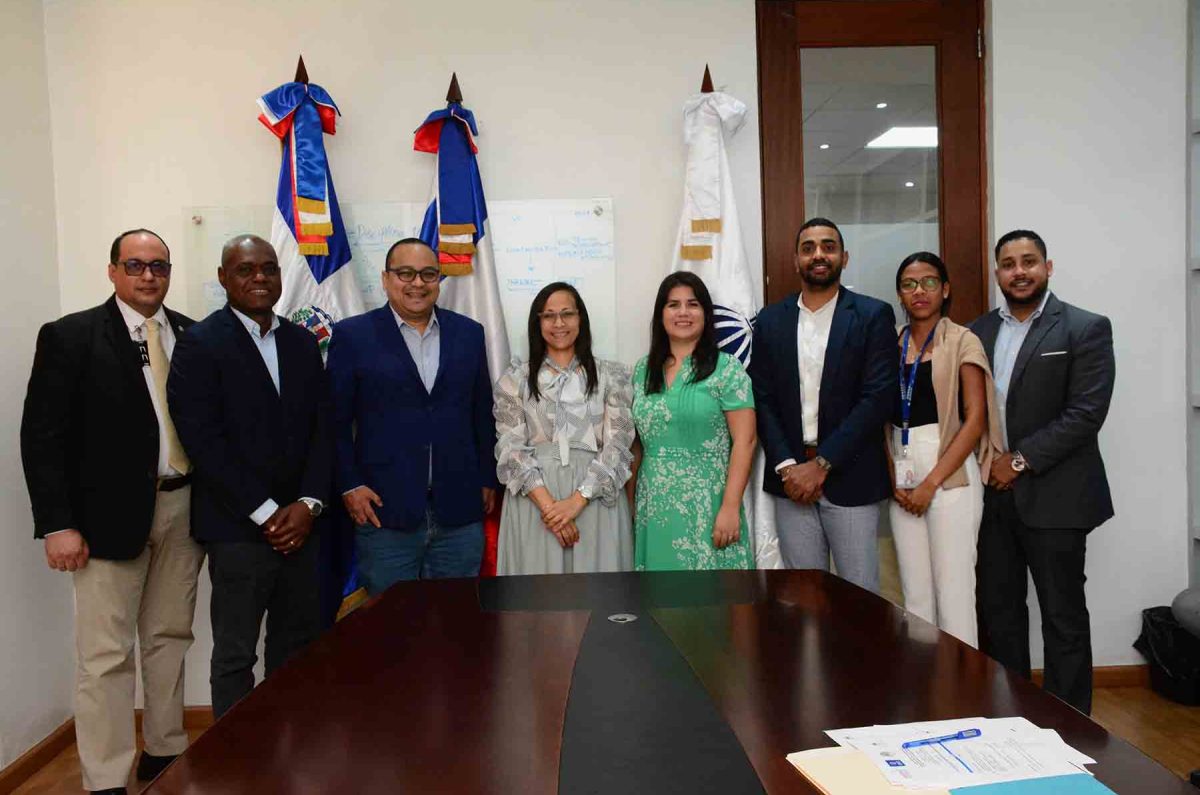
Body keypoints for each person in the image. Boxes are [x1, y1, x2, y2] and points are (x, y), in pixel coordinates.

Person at [20, 229, 203, 794]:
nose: (148, 276)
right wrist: (58, 523)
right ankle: (105, 777)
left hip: (183, 507)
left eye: (159, 266)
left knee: (170, 636)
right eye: (135, 265)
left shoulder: (191, 335)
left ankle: (165, 750)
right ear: (112, 271)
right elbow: (42, 437)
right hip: (103, 519)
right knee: (105, 655)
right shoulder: (70, 336)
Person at [167, 235, 331, 719]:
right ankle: (236, 757)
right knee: (235, 654)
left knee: (295, 646)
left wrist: (308, 504)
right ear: (224, 278)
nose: (259, 277)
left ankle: (288, 747)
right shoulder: (199, 343)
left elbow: (323, 430)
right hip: (238, 529)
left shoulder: (302, 342)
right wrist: (267, 513)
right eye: (245, 269)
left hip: (303, 527)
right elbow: (203, 442)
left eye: (268, 268)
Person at [969, 229, 1115, 715]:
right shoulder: (978, 332)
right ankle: (1010, 719)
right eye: (1009, 264)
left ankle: (1069, 725)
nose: (1019, 272)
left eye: (1029, 261)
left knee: (1062, 617)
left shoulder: (1084, 327)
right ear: (997, 273)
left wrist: (1017, 461)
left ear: (1047, 267)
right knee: (999, 614)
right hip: (993, 496)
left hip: (1058, 496)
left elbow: (1086, 414)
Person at [327, 238, 497, 593]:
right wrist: (350, 485)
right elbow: (335, 422)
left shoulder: (469, 334)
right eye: (405, 273)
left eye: (428, 274)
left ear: (438, 279)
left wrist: (485, 478)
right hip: (385, 514)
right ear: (386, 279)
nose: (417, 283)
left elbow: (482, 413)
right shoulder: (353, 336)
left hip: (459, 512)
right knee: (391, 622)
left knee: (456, 618)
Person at [748, 217, 897, 593]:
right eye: (808, 248)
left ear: (844, 258)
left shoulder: (872, 315)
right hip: (791, 482)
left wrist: (822, 464)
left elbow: (877, 398)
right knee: (802, 599)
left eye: (828, 247)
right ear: (795, 259)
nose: (818, 254)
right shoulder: (771, 320)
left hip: (852, 477)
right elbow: (762, 398)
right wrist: (788, 467)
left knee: (859, 597)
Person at [886, 252, 1002, 647]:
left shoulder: (963, 340)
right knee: (915, 597)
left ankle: (963, 682)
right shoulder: (890, 344)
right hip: (902, 473)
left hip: (950, 474)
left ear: (946, 289)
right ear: (900, 294)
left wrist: (930, 483)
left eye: (929, 282)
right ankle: (924, 681)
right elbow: (880, 418)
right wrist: (893, 478)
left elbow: (975, 420)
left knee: (954, 593)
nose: (919, 291)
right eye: (909, 284)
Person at [493, 282, 634, 574]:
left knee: (599, 593)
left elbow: (618, 447)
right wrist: (551, 510)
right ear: (538, 323)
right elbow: (510, 450)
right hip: (534, 501)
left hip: (596, 500)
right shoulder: (515, 379)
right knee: (537, 595)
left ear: (580, 319)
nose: (559, 323)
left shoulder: (612, 375)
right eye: (549, 315)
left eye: (567, 314)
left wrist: (576, 501)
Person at [630, 271, 756, 570]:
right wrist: (632, 504)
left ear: (706, 313)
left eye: (693, 304)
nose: (683, 312)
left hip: (710, 502)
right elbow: (637, 446)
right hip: (654, 505)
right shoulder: (642, 370)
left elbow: (746, 441)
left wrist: (730, 507)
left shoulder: (727, 369)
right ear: (661, 314)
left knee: (712, 594)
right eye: (673, 305)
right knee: (659, 592)